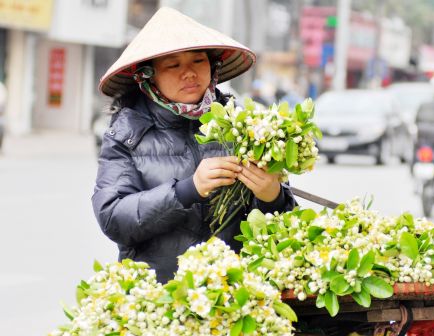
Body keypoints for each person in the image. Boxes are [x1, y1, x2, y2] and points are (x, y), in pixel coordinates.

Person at [93, 7, 295, 283]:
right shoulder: (127, 133)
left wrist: (273, 195)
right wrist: (187, 190)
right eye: (173, 65)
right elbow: (114, 218)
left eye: (198, 61)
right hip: (158, 300)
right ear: (148, 76)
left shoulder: (243, 125)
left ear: (212, 67)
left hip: (236, 296)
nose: (188, 73)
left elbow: (280, 223)